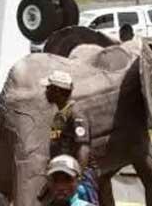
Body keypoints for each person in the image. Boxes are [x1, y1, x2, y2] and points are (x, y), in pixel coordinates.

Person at [44, 70, 96, 204]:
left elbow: (83, 148)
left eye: (48, 88)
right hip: (62, 174)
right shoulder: (61, 114)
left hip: (76, 177)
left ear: (57, 90)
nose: (45, 91)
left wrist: (78, 178)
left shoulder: (76, 114)